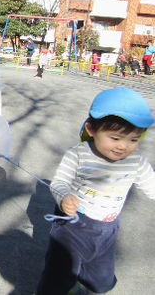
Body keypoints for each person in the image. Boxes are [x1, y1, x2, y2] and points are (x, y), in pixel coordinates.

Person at [36, 87, 155, 295]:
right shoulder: (79, 154)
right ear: (91, 129)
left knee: (100, 281)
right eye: (115, 138)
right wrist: (64, 197)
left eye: (134, 139)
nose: (123, 146)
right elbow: (59, 182)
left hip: (107, 230)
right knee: (58, 278)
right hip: (73, 228)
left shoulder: (136, 163)